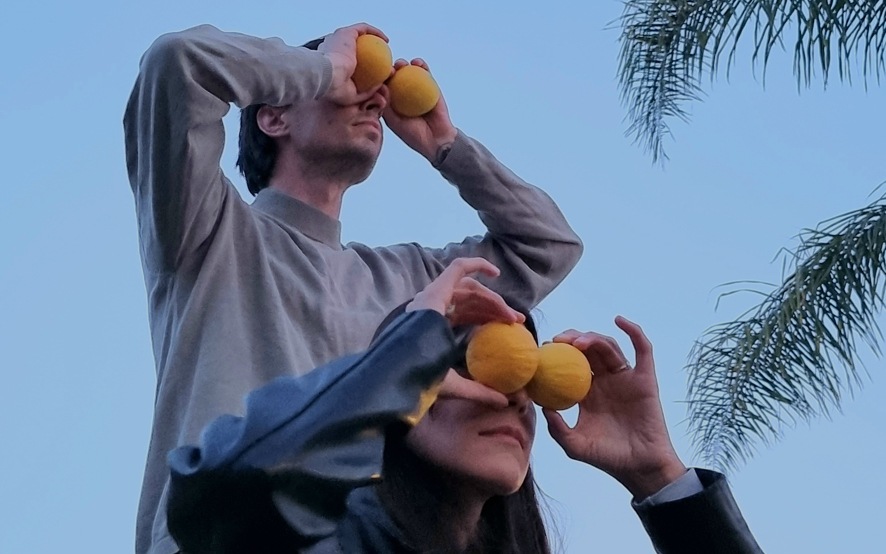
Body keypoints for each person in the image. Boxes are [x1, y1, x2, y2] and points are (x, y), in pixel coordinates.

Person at [124, 22, 583, 554]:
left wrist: (446, 146)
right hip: (219, 534)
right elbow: (176, 63)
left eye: (376, 86)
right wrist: (322, 69)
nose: (375, 96)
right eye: (356, 79)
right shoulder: (206, 232)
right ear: (273, 116)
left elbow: (548, 245)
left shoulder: (410, 285)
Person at [167, 259, 763, 553]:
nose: (513, 393)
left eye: (528, 373)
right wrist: (408, 356)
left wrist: (659, 476)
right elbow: (218, 488)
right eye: (473, 363)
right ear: (407, 392)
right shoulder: (321, 540)